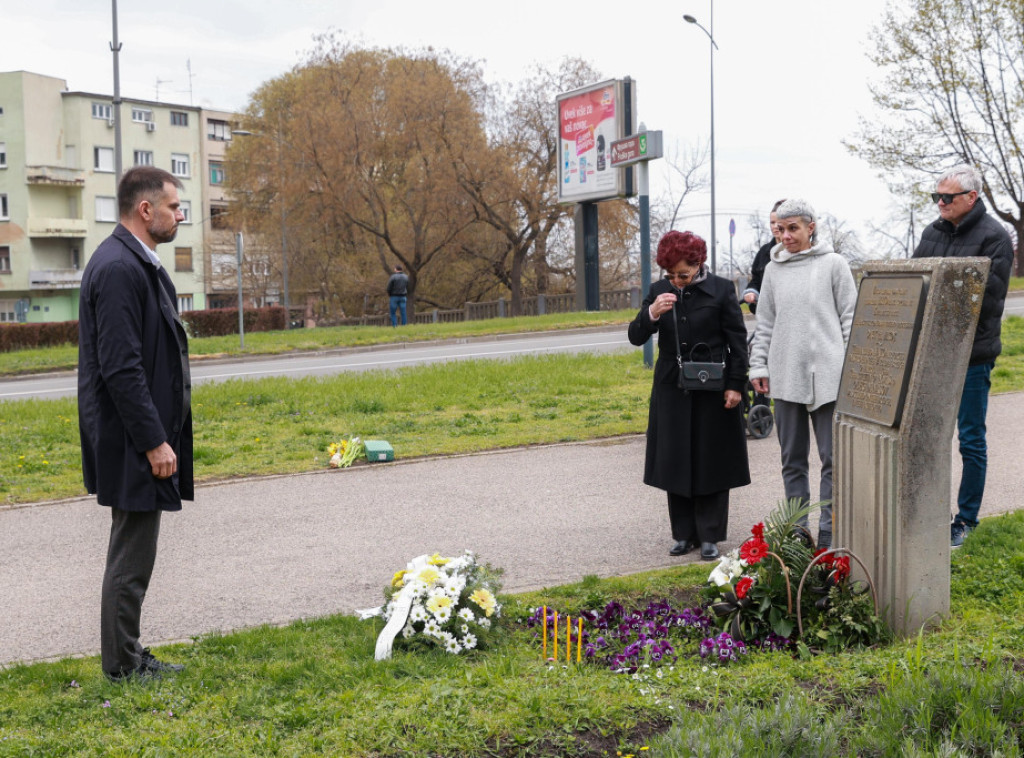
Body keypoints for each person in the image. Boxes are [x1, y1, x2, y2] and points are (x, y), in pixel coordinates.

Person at [78, 166, 193, 681]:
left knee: (135, 553)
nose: (180, 216)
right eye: (173, 207)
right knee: (131, 556)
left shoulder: (134, 262)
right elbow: (120, 366)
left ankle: (126, 656)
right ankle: (123, 666)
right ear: (146, 210)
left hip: (136, 436)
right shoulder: (120, 268)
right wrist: (153, 441)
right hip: (132, 440)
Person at [628, 230, 751, 561]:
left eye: (683, 274)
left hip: (714, 385)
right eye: (671, 275)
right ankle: (684, 534)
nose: (677, 281)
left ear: (699, 264)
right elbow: (636, 336)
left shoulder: (723, 290)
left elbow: (737, 341)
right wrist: (652, 313)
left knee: (711, 460)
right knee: (676, 459)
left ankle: (710, 535)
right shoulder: (658, 292)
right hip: (672, 388)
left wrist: (735, 384)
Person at [912, 164, 1013, 547]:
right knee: (927, 435)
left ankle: (966, 520)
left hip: (972, 357)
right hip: (930, 354)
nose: (940, 203)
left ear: (971, 197)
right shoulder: (931, 232)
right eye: (936, 196)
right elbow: (916, 281)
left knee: (970, 438)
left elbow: (987, 301)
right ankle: (927, 512)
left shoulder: (995, 238)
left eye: (947, 197)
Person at [748, 199, 856, 551]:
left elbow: (850, 319)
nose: (786, 235)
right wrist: (759, 365)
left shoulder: (834, 265)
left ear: (811, 227)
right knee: (791, 459)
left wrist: (850, 369)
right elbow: (764, 323)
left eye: (793, 228)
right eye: (780, 228)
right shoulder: (773, 270)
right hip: (786, 375)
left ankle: (829, 531)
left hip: (828, 376)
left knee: (833, 459)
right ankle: (797, 532)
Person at [741, 199, 787, 314]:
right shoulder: (763, 252)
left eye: (779, 222)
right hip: (768, 317)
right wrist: (751, 292)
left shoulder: (800, 252)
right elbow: (756, 280)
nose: (775, 226)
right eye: (772, 222)